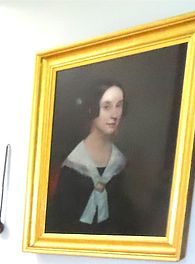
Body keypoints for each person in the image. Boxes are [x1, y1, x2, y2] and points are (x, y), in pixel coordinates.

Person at [46, 80, 134, 235]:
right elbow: (61, 220)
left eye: (119, 106)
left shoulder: (119, 162)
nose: (114, 115)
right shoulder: (72, 165)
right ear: (92, 109)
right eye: (106, 107)